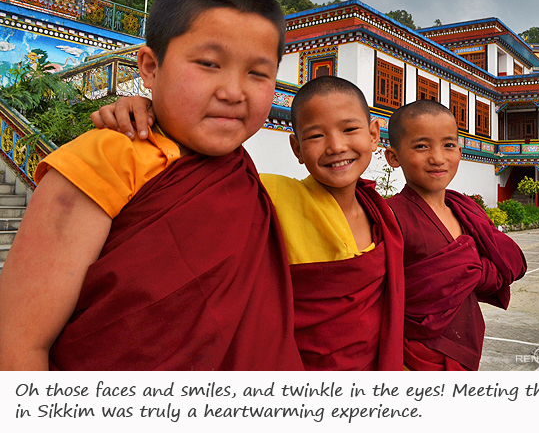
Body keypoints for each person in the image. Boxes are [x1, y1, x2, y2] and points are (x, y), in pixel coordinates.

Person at [0, 0, 303, 371]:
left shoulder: (243, 178)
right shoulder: (105, 157)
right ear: (149, 67)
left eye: (259, 73)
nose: (233, 91)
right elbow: (17, 343)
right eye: (209, 63)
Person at [90, 76, 405, 371]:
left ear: (374, 134)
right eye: (316, 136)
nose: (336, 146)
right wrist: (148, 114)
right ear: (296, 148)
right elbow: (185, 176)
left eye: (349, 130)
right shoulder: (268, 196)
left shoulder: (383, 216)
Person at [384, 100, 526, 371]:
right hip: (412, 355)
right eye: (421, 146)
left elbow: (506, 265)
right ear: (394, 157)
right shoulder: (389, 215)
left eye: (448, 145)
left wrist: (471, 269)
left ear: (460, 151)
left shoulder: (465, 209)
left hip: (465, 341)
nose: (438, 158)